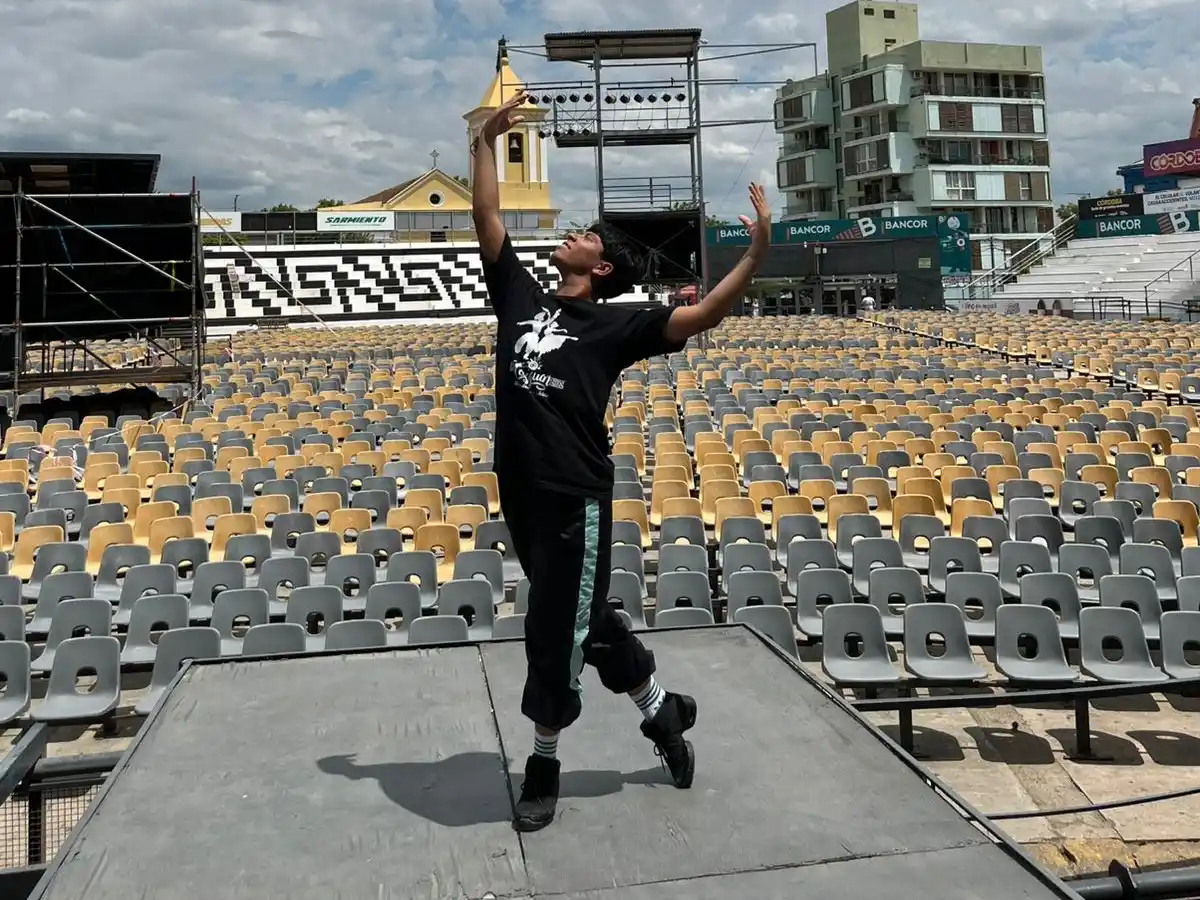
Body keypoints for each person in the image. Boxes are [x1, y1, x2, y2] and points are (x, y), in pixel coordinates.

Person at [472, 89, 771, 832]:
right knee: (586, 620)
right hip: (522, 493)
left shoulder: (615, 326)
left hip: (574, 498)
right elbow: (487, 217)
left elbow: (703, 315)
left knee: (553, 631)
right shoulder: (522, 298)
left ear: (601, 268)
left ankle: (543, 765)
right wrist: (484, 143)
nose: (570, 235)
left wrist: (756, 253)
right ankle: (663, 713)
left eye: (583, 236)